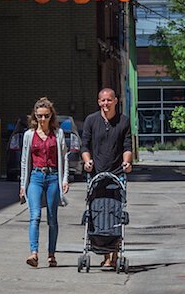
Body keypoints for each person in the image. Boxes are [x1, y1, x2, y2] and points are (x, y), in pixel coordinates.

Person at [81, 88, 133, 269]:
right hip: (96, 174)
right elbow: (85, 146)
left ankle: (114, 255)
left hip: (117, 174)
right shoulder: (91, 120)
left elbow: (127, 146)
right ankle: (103, 253)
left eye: (109, 100)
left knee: (115, 211)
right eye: (102, 100)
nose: (106, 104)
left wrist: (127, 163)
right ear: (98, 102)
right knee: (97, 211)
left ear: (115, 101)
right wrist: (87, 162)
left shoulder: (123, 121)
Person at [19, 97, 70, 268]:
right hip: (35, 177)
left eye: (46, 116)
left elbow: (64, 157)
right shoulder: (29, 135)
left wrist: (64, 179)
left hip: (53, 177)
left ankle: (51, 254)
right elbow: (24, 161)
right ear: (34, 116)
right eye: (39, 116)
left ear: (51, 116)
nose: (42, 119)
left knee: (52, 218)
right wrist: (22, 185)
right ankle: (34, 253)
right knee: (34, 216)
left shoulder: (58, 134)